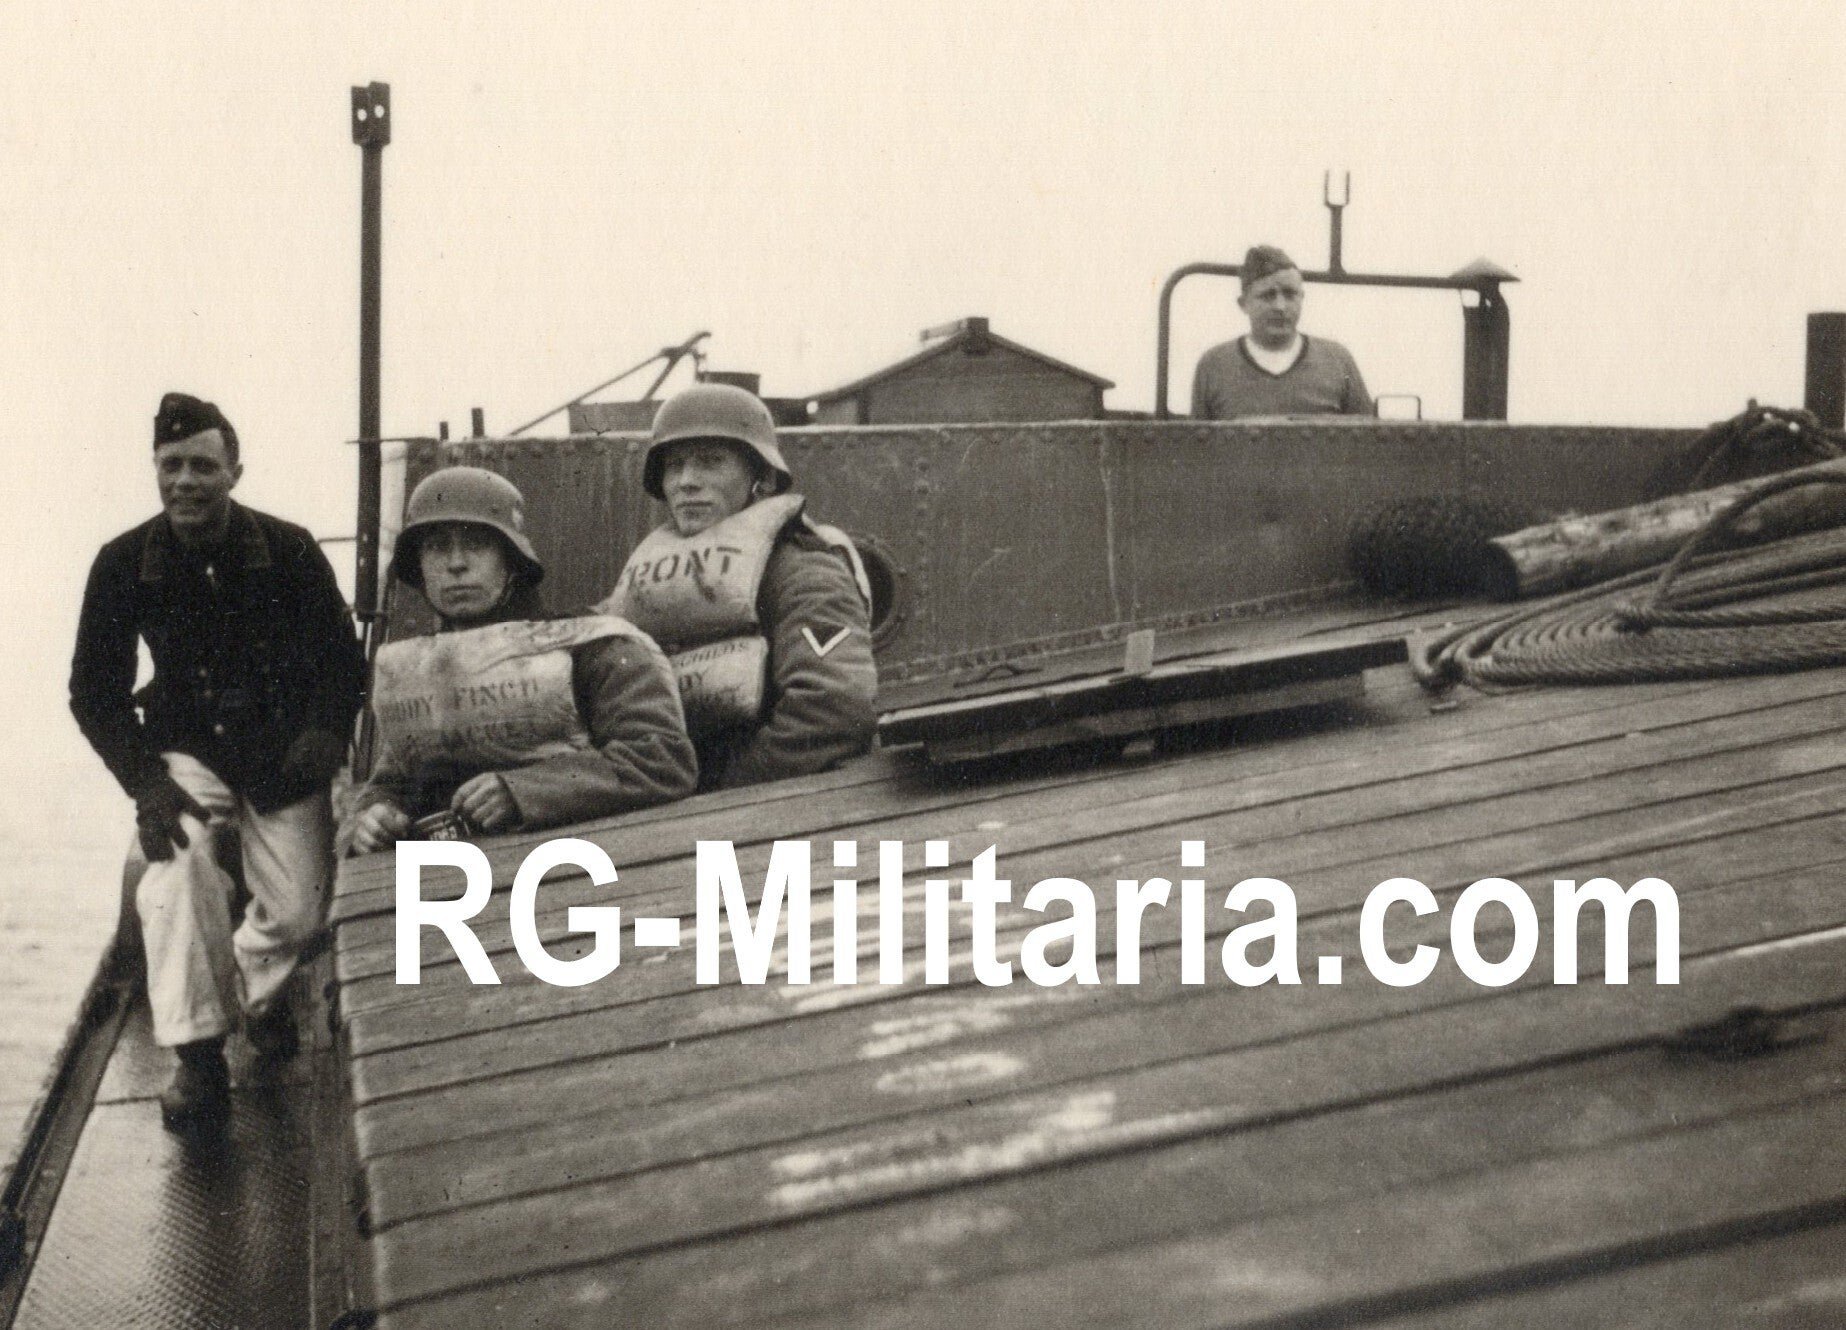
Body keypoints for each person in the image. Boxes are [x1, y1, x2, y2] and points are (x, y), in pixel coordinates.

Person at [70, 392, 365, 1132]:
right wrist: (147, 783)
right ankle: (199, 1058)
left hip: (280, 751)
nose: (185, 481)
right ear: (155, 469)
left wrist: (325, 733)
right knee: (178, 870)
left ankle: (256, 995)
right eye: (171, 465)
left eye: (203, 466)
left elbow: (341, 658)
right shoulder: (122, 564)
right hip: (189, 749)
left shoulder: (289, 549)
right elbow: (94, 692)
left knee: (302, 911)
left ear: (234, 471)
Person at [346, 466, 696, 853]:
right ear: (419, 568)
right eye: (437, 547)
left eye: (476, 544)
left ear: (512, 560)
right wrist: (373, 816)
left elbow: (661, 759)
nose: (456, 563)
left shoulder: (591, 647)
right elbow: (391, 781)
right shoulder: (420, 672)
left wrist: (521, 792)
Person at [598, 383, 878, 789]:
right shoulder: (648, 582)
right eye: (674, 466)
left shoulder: (805, 574)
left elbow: (833, 712)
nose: (686, 481)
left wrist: (708, 785)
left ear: (763, 479)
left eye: (711, 462)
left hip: (789, 800)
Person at [1190, 244, 1374, 420]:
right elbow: (1197, 440)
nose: (1280, 306)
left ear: (1302, 298)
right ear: (1243, 303)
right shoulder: (1214, 365)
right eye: (1267, 296)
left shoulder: (1337, 360)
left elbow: (1368, 437)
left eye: (1290, 294)